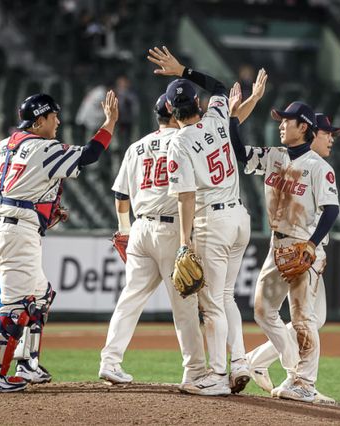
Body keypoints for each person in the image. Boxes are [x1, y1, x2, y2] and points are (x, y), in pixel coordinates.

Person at [0, 90, 119, 392]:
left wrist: (35, 205)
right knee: (16, 307)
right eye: (54, 116)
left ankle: (28, 364)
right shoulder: (43, 147)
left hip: (3, 227)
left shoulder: (4, 145)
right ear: (39, 121)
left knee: (40, 297)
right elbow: (89, 154)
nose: (58, 121)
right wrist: (109, 123)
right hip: (17, 234)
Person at [147, 46, 251, 396]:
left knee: (211, 304)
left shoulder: (179, 142)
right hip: (240, 218)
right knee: (226, 296)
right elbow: (220, 86)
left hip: (214, 223)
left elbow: (186, 196)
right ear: (198, 103)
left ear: (170, 110)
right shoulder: (218, 116)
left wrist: (183, 242)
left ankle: (218, 376)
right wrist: (183, 70)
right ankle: (240, 362)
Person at [229, 95, 340, 403]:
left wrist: (312, 245)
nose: (281, 125)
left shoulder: (319, 167)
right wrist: (233, 119)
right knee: (263, 311)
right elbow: (239, 153)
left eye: (286, 121)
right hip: (276, 245)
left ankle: (305, 382)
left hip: (303, 247)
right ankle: (293, 371)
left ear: (303, 127)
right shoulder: (274, 156)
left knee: (304, 318)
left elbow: (331, 210)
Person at [98, 94, 207, 387]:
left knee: (130, 298)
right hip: (170, 230)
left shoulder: (136, 146)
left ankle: (110, 361)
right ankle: (195, 370)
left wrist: (124, 230)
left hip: (140, 228)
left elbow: (121, 196)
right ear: (175, 113)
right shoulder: (184, 141)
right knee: (185, 303)